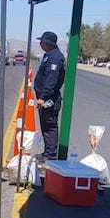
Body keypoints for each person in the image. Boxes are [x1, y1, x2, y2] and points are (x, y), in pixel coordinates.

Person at [32, 31, 66, 163]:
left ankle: (51, 156)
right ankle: (47, 152)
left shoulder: (55, 58)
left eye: (42, 42)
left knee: (50, 126)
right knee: (45, 126)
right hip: (45, 97)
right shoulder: (49, 55)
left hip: (49, 98)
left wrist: (43, 97)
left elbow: (51, 79)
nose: (40, 44)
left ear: (48, 43)